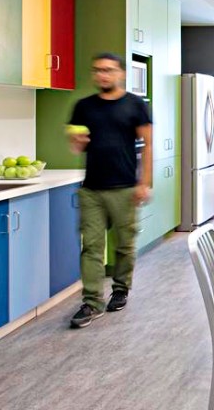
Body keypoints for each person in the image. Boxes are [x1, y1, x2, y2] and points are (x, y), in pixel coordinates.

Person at [67, 53, 152, 329]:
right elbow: (77, 146)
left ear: (121, 73)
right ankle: (92, 302)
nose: (103, 75)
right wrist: (77, 141)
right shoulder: (83, 107)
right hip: (92, 188)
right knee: (91, 246)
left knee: (124, 245)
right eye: (98, 70)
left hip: (125, 188)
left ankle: (121, 289)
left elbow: (148, 144)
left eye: (108, 70)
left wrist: (144, 183)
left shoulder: (135, 105)